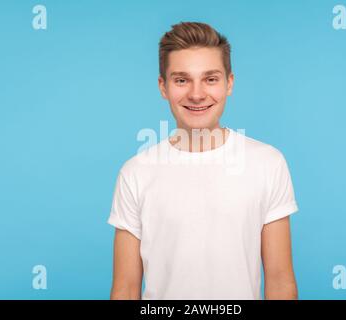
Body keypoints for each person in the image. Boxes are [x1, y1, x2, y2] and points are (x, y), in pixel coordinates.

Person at [108, 21, 299, 300]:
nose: (196, 94)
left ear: (229, 83)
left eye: (210, 79)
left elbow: (280, 282)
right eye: (182, 80)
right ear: (163, 87)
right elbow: (124, 289)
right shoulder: (135, 173)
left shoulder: (268, 163)